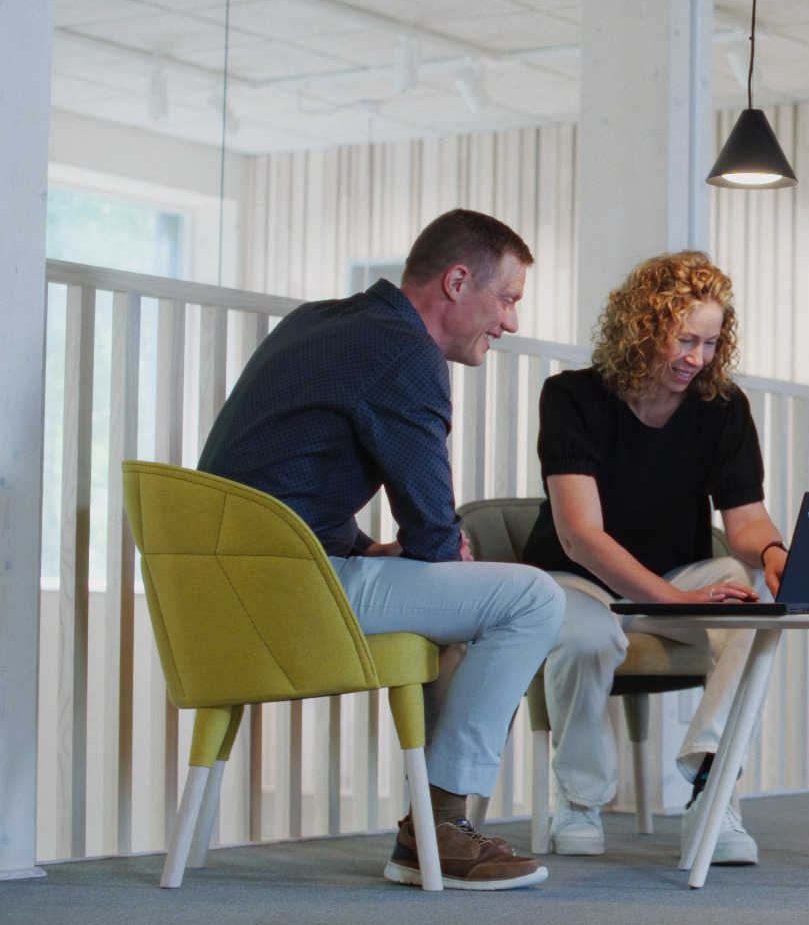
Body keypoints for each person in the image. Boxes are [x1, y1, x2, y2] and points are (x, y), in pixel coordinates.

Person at [198, 208, 564, 891]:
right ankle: (442, 828)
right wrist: (434, 555)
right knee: (530, 597)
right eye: (507, 297)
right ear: (458, 281)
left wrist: (373, 551)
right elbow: (431, 530)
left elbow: (285, 477)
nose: (511, 322)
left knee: (461, 605)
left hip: (226, 586)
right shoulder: (405, 351)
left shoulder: (318, 320)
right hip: (291, 589)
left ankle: (427, 831)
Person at [521, 250, 788, 865]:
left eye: (712, 343)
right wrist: (674, 599)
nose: (699, 359)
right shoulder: (571, 398)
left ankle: (710, 784)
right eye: (686, 340)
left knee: (760, 599)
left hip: (678, 578)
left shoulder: (724, 408)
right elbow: (580, 535)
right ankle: (579, 801)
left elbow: (744, 520)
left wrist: (773, 551)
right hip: (578, 580)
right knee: (588, 639)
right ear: (642, 329)